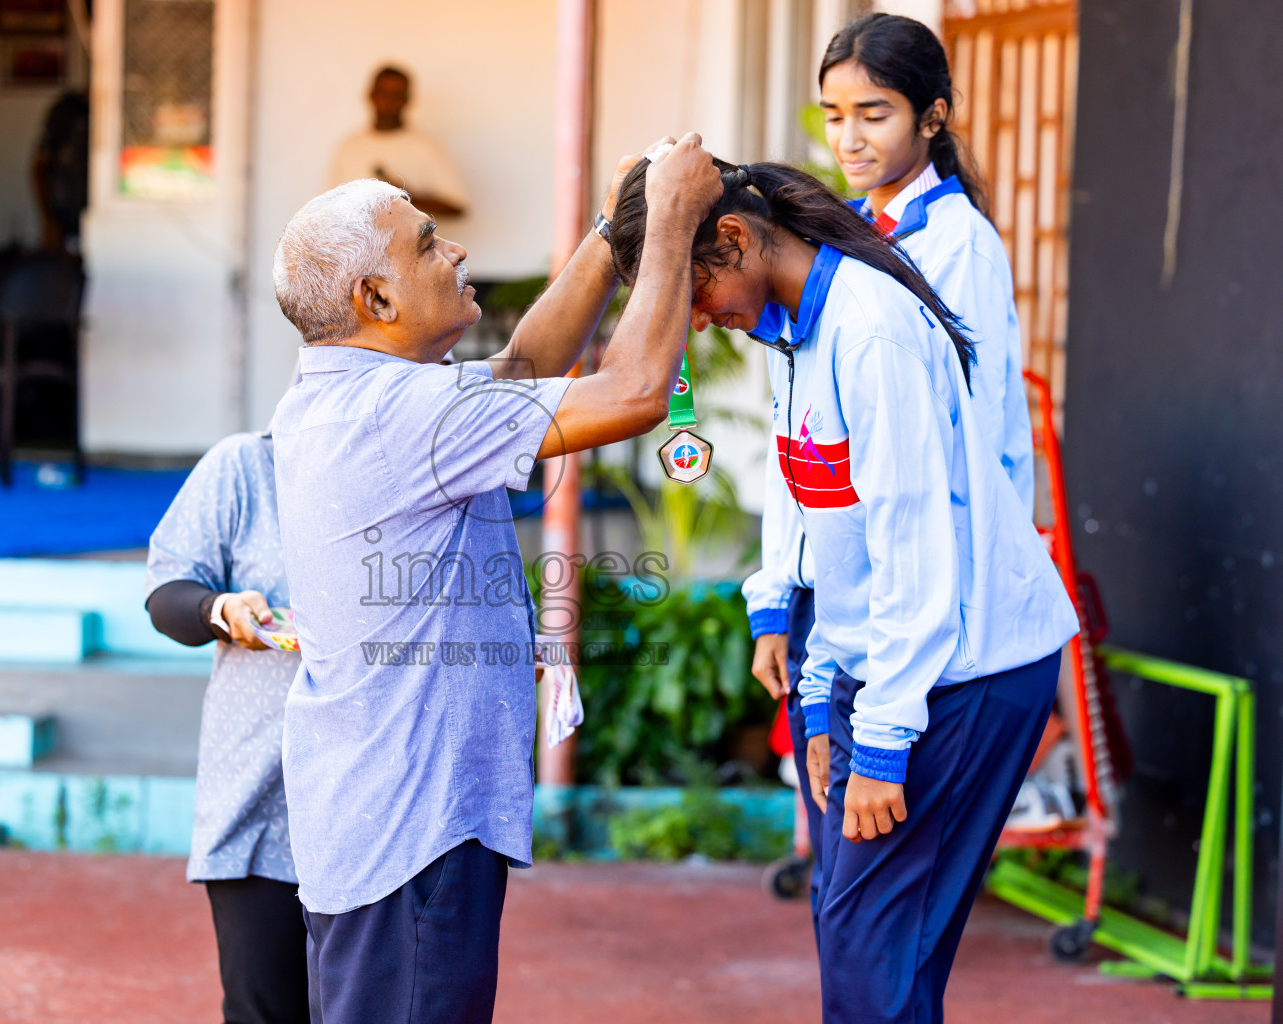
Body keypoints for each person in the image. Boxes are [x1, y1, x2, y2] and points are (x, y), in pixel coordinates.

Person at [609, 158, 1079, 1023]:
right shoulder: (793, 330)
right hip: (893, 657)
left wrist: (885, 739)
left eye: (694, 294)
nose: (703, 325)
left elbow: (913, 554)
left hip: (965, 669)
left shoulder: (869, 333)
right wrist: (822, 690)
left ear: (736, 239)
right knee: (868, 949)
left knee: (870, 958)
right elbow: (828, 522)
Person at [269, 136, 722, 1024]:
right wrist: (668, 221)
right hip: (412, 836)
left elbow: (520, 371)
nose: (458, 251)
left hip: (390, 825)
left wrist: (609, 233)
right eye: (429, 244)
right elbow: (631, 391)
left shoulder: (357, 394)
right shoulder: (401, 414)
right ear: (376, 298)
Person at [741, 10, 1041, 929]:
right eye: (833, 115)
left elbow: (966, 454)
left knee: (879, 920)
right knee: (850, 907)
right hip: (850, 603)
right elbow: (810, 437)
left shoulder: (958, 248)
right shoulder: (849, 236)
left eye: (874, 113)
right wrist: (778, 597)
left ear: (932, 116)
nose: (848, 137)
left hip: (929, 614)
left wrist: (903, 665)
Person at [145, 434, 308, 1024]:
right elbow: (168, 590)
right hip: (262, 798)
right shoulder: (247, 466)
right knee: (263, 1010)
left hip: (384, 804)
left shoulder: (423, 464)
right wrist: (221, 609)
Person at [328, 66, 468, 218]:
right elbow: (329, 208)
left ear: (407, 100)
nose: (389, 101)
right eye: (384, 93)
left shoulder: (425, 146)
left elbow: (457, 207)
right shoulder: (350, 147)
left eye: (397, 95)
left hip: (410, 242)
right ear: (371, 95)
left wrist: (407, 197)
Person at [32, 90, 89, 252]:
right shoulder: (67, 111)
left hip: (108, 223)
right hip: (66, 219)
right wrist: (48, 221)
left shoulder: (119, 110)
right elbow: (40, 165)